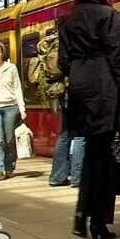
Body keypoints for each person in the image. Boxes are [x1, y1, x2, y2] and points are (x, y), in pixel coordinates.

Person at [59, 0, 120, 239]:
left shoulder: (67, 18)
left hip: (79, 84)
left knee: (92, 151)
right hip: (104, 86)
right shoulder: (108, 15)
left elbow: (62, 62)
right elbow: (116, 57)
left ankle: (82, 215)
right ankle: (99, 223)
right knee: (104, 156)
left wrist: (79, 73)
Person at [29, 33, 82, 187]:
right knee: (80, 135)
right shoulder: (76, 39)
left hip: (61, 92)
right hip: (76, 91)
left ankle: (57, 177)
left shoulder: (56, 41)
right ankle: (78, 178)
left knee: (65, 133)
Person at [0, 41, 27, 181]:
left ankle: (9, 167)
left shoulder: (11, 68)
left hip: (11, 107)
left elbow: (17, 88)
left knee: (9, 140)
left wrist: (22, 108)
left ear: (2, 54)